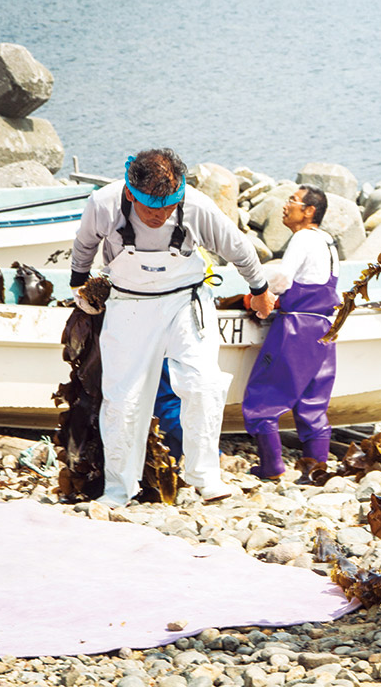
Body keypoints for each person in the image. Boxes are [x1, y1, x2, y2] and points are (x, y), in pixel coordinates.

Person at [70, 148, 276, 508]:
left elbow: (238, 248)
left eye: (169, 207)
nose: (161, 215)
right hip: (129, 304)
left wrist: (260, 291)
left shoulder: (196, 206)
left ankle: (205, 475)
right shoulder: (103, 204)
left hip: (186, 302)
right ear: (132, 193)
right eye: (153, 209)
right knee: (123, 398)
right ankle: (119, 488)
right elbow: (84, 246)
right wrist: (79, 287)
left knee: (203, 385)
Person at [241, 185, 340, 479]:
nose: (286, 206)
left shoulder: (303, 237)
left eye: (293, 201)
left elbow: (283, 278)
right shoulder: (328, 242)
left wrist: (260, 292)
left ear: (309, 211)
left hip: (296, 327)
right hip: (324, 327)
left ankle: (271, 466)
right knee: (313, 400)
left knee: (264, 396)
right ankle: (315, 469)